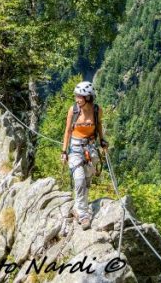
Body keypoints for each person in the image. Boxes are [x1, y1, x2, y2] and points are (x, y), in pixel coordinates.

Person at [60, 80, 109, 229]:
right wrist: (64, 151)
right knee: (80, 180)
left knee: (86, 181)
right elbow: (68, 131)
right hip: (75, 148)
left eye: (80, 96)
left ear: (88, 97)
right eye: (76, 96)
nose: (77, 99)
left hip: (90, 148)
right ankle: (83, 214)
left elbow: (99, 125)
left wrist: (102, 140)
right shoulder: (73, 110)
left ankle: (78, 206)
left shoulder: (97, 110)